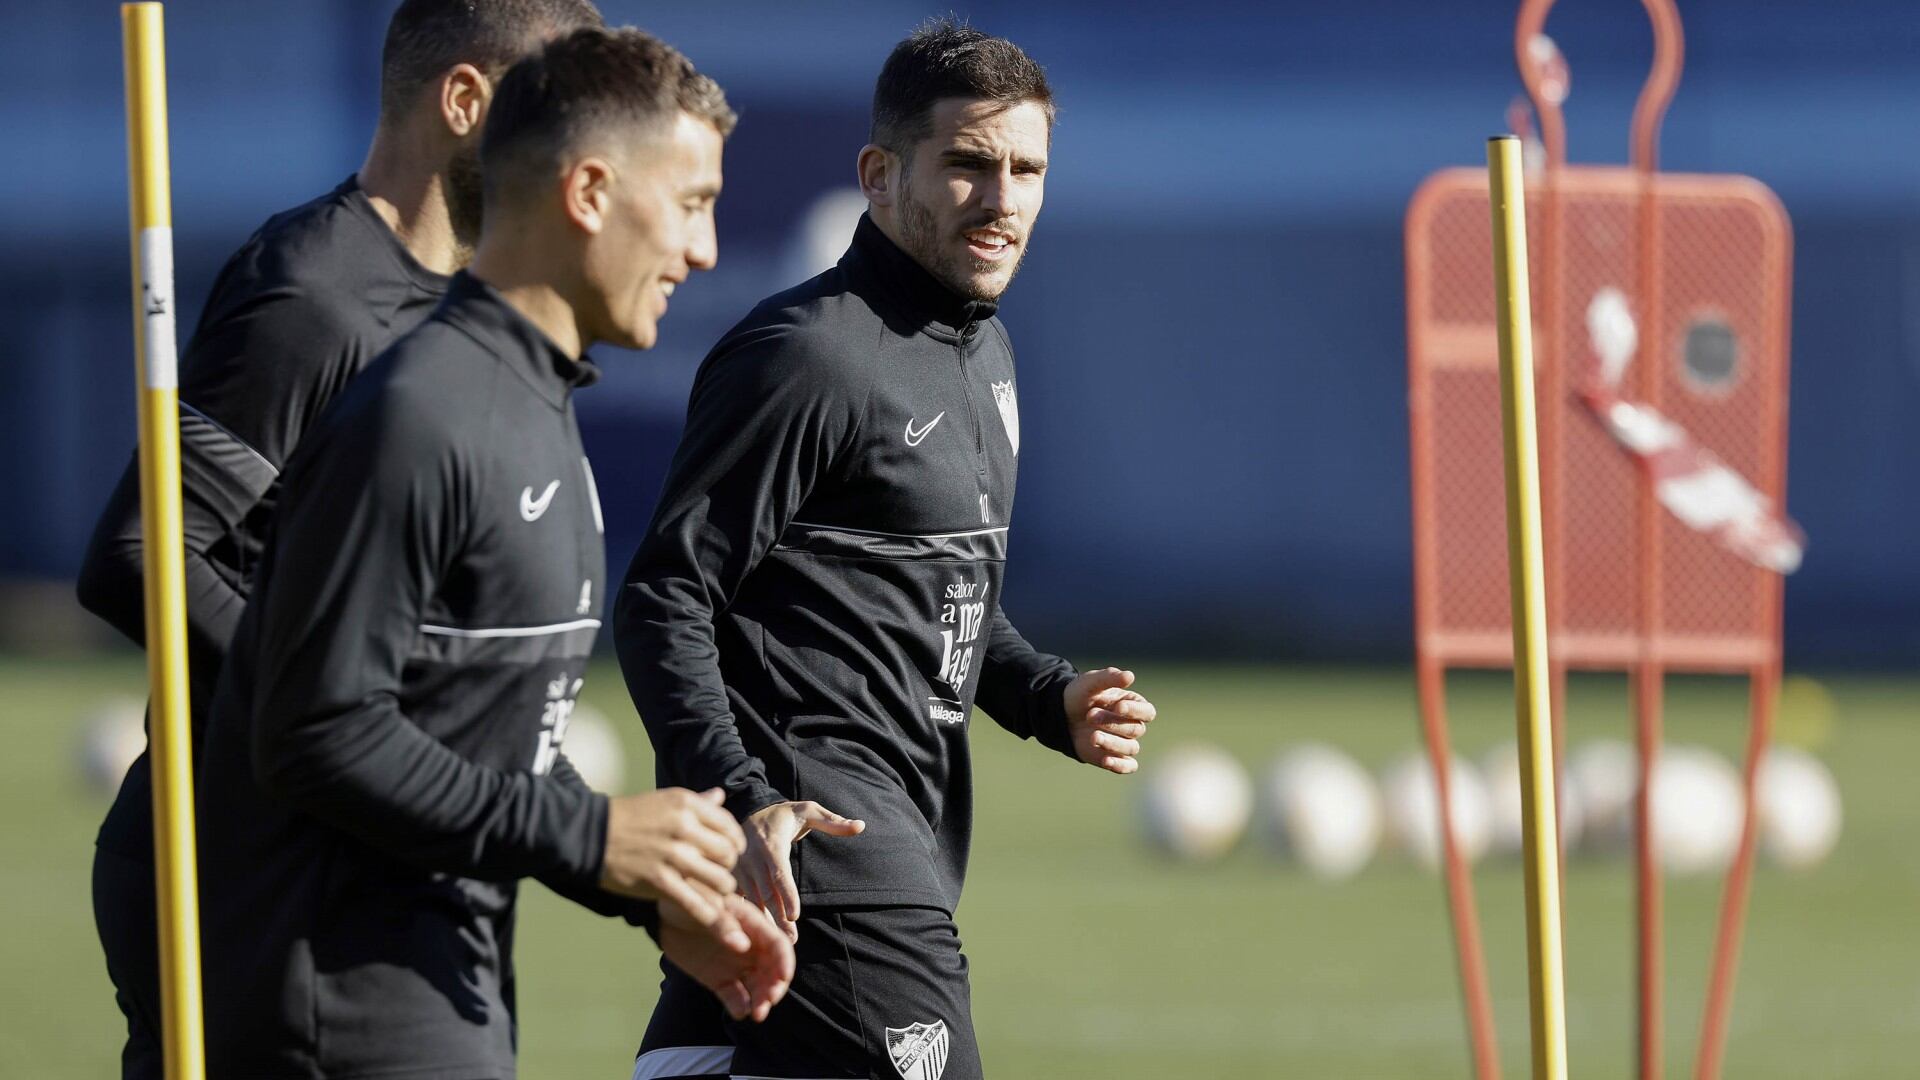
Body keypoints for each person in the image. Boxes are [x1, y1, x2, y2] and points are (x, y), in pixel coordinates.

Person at [186, 25, 791, 1078]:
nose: (703, 250)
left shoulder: (533, 399)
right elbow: (314, 732)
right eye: (691, 204)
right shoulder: (423, 411)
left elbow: (470, 738)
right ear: (591, 192)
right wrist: (595, 839)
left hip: (445, 988)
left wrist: (637, 889)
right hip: (338, 1019)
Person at [77, 2, 613, 1074]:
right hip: (240, 880)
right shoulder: (313, 291)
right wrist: (356, 706)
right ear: (466, 102)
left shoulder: (474, 307)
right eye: (554, 113)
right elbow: (140, 555)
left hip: (381, 869)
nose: (585, 158)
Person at [616, 20, 1158, 1080]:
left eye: (1027, 169)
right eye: (966, 165)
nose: (1002, 201)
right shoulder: (806, 355)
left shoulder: (985, 351)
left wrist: (1047, 698)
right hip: (833, 854)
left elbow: (942, 587)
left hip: (829, 850)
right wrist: (746, 798)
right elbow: (665, 597)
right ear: (878, 173)